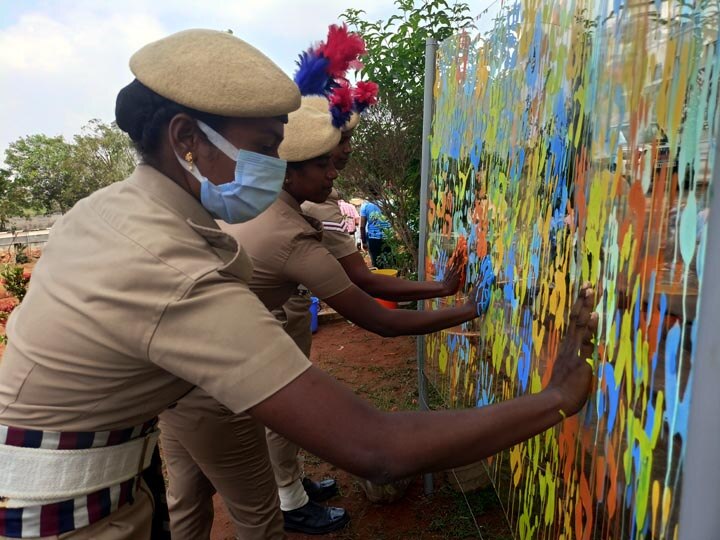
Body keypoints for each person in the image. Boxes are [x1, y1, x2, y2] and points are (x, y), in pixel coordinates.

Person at [0, 29, 599, 540]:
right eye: (263, 150)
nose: (273, 168)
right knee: (251, 511)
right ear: (186, 140)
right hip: (66, 515)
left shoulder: (111, 211)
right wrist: (555, 398)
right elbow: (377, 448)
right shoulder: (171, 269)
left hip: (97, 475)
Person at [360, 193, 392, 267]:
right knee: (389, 262)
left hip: (373, 238)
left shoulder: (365, 206)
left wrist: (364, 241)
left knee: (376, 262)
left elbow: (362, 226)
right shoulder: (388, 203)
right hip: (388, 236)